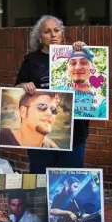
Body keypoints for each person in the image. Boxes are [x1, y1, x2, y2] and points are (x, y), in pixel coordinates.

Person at [15, 15, 89, 174]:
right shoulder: (31, 60)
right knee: (41, 176)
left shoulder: (75, 55)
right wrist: (24, 85)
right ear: (40, 37)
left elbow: (91, 77)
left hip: (74, 129)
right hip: (39, 131)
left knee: (69, 177)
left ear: (62, 33)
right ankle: (42, 200)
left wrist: (86, 51)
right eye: (47, 31)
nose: (53, 35)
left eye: (56, 30)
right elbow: (17, 86)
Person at [52, 48, 107, 118]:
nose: (78, 67)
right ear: (67, 68)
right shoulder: (55, 91)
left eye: (84, 62)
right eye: (73, 63)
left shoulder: (102, 103)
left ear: (92, 67)